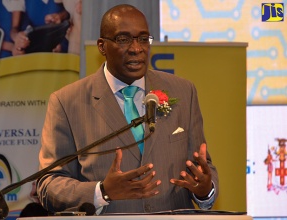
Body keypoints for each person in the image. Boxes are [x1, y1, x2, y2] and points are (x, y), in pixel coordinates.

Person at [37, 4, 219, 215]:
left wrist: (205, 190)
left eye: (143, 39)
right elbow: (48, 185)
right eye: (123, 39)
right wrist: (102, 192)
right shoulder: (67, 102)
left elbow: (203, 167)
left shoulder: (183, 91)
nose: (136, 48)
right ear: (102, 46)